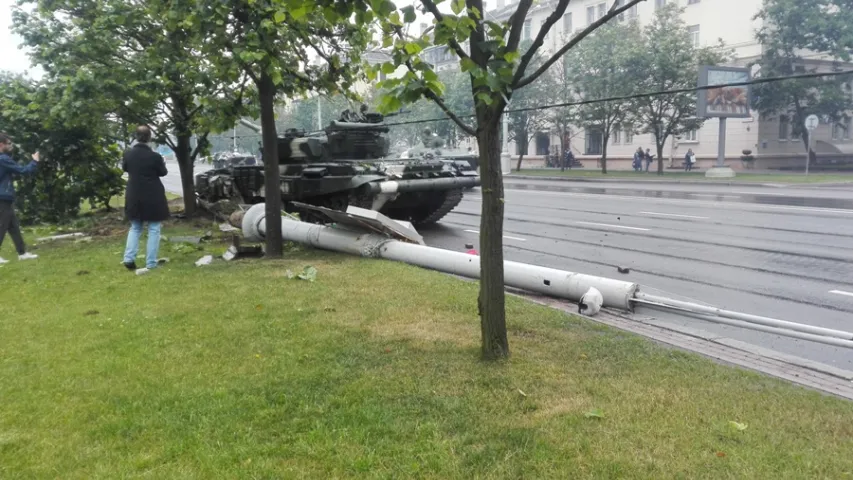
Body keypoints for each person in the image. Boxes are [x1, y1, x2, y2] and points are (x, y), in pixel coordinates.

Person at [121, 125, 170, 274]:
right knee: (154, 229)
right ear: (149, 138)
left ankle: (128, 259)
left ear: (136, 137)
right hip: (153, 195)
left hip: (134, 194)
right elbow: (163, 172)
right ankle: (151, 262)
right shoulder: (155, 156)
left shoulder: (128, 155)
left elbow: (125, 168)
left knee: (135, 227)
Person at [0, 133, 40, 264]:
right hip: (2, 198)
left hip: (5, 197)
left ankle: (22, 253)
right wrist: (35, 161)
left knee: (13, 226)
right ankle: (22, 253)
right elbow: (23, 170)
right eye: (9, 143)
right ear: (1, 145)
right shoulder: (3, 159)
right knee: (2, 226)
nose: (11, 146)